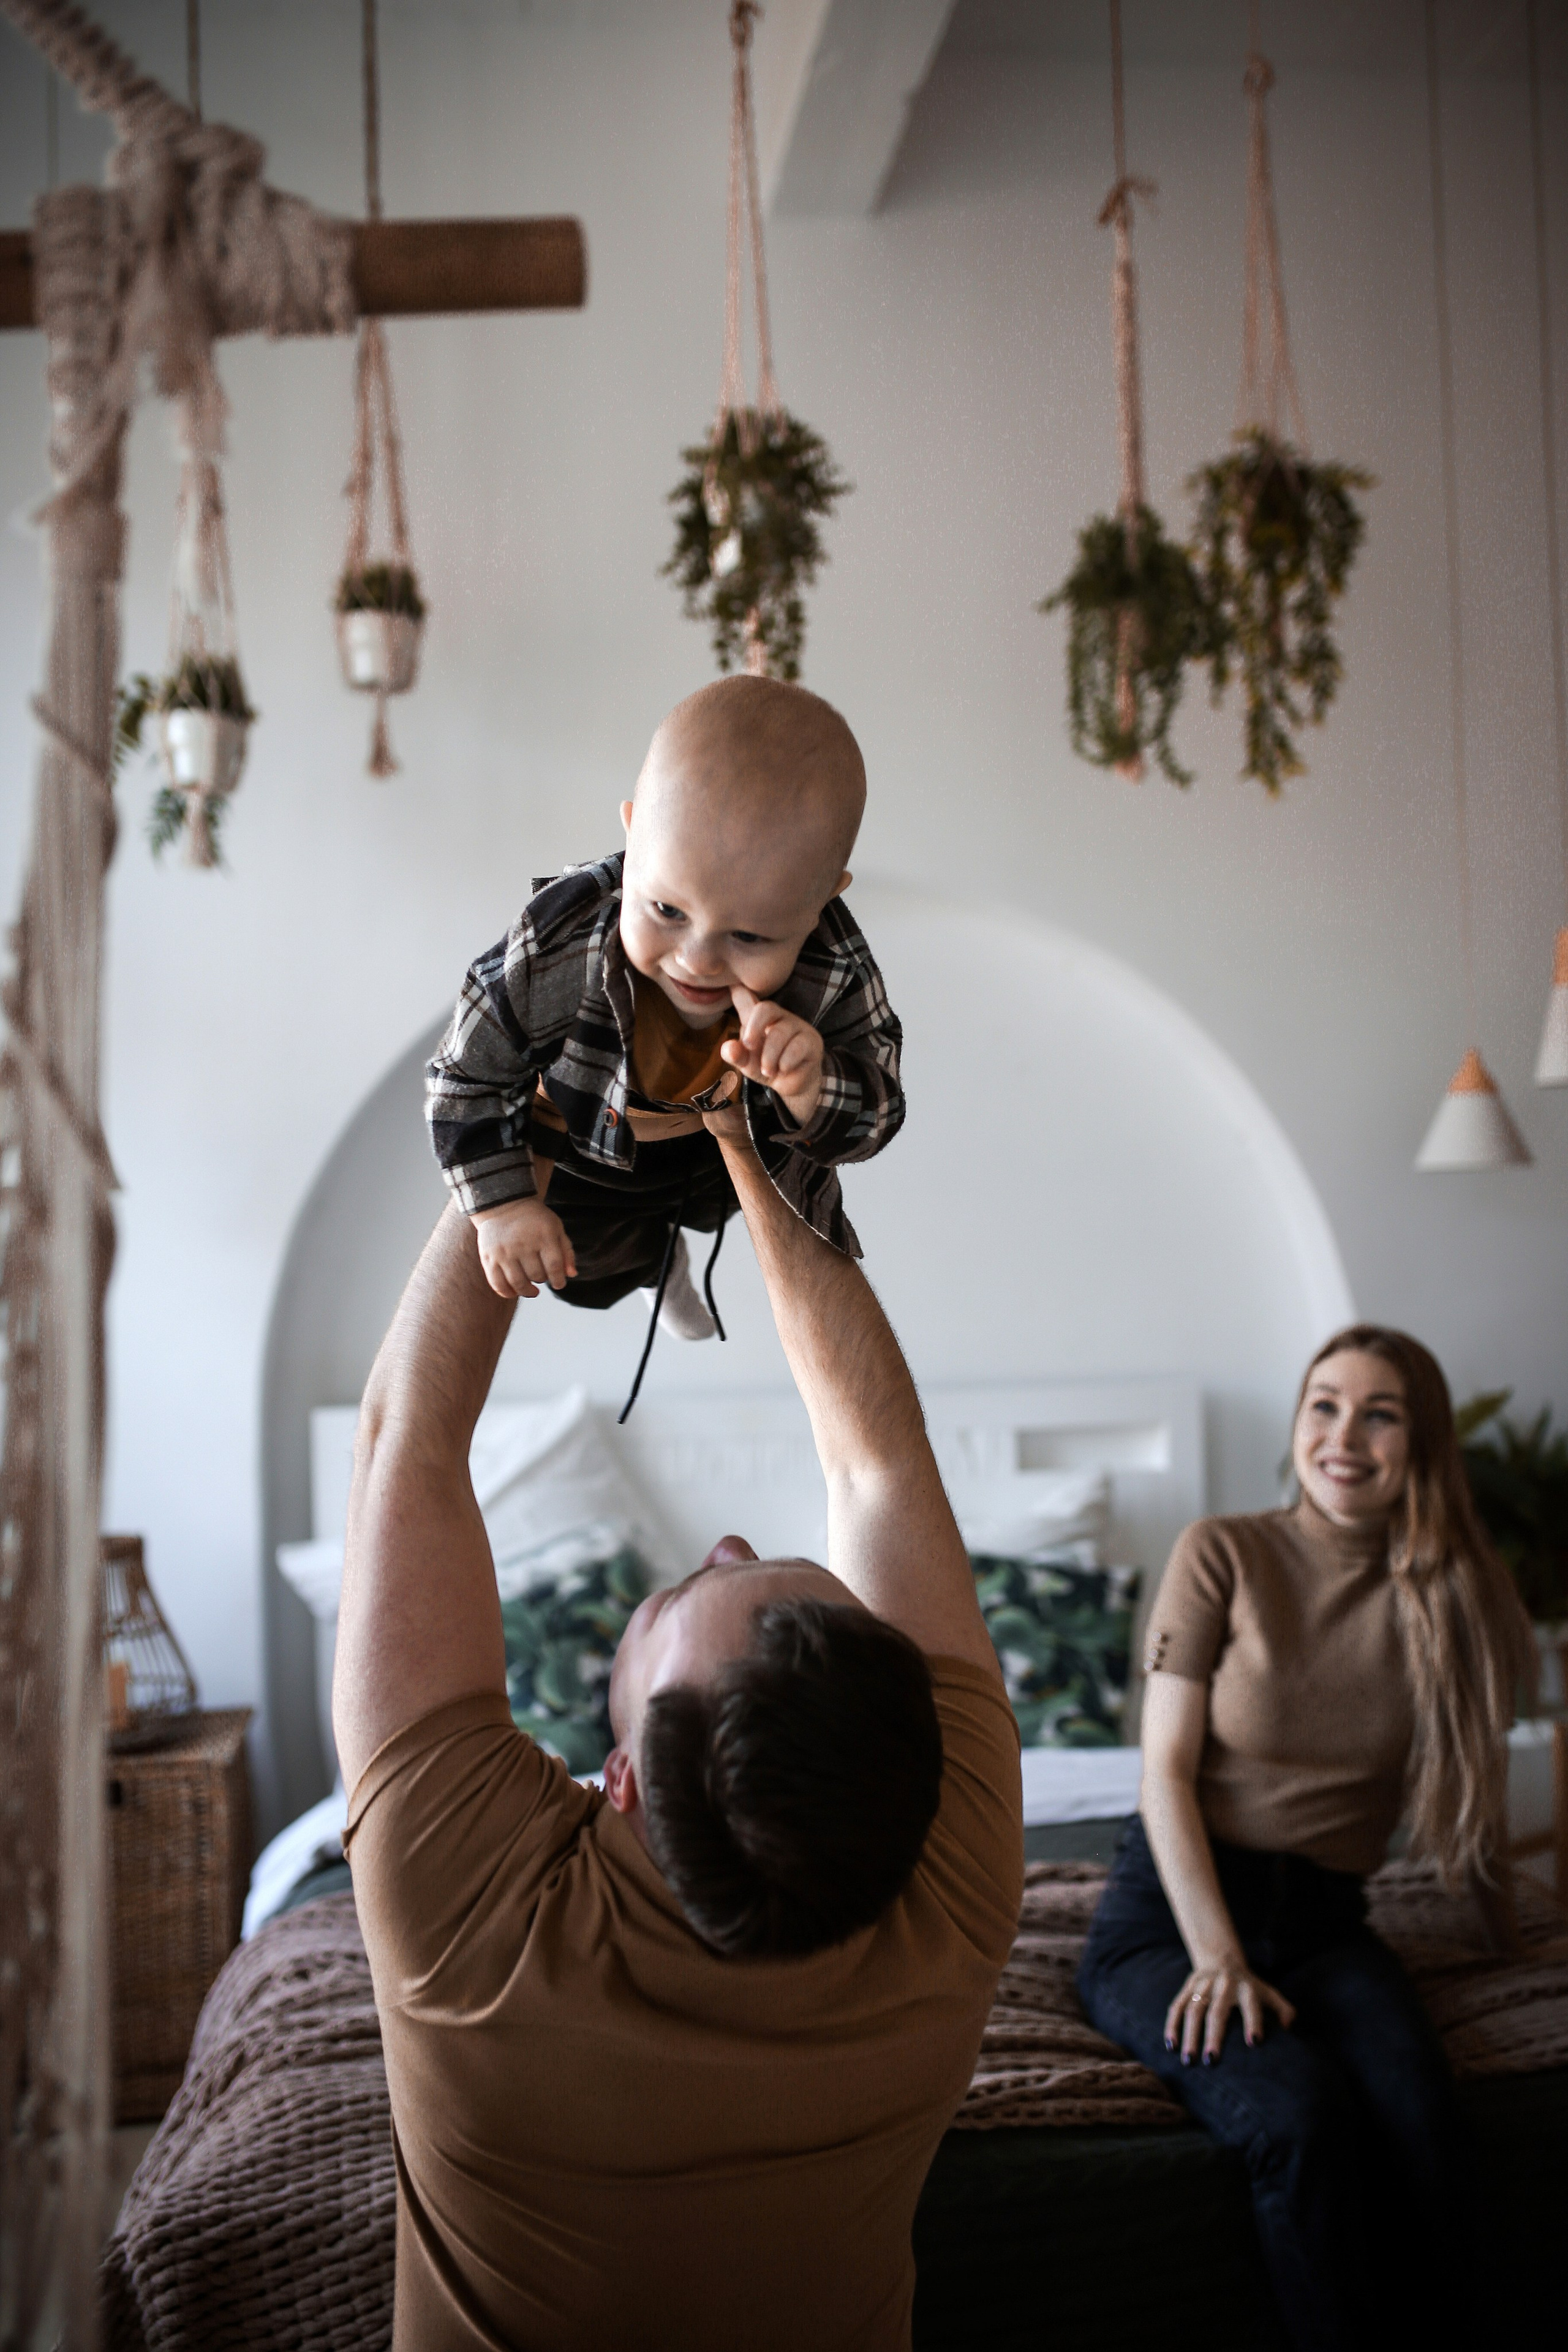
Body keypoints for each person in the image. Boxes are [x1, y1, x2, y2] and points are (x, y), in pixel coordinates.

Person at [333, 1107, 1024, 2351]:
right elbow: (872, 1461)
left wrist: (531, 1100)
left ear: (620, 1783)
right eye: (753, 1567)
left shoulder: (473, 1931)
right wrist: (755, 1146)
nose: (725, 1544)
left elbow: (406, 1447)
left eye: (691, 1591)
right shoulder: (952, 1895)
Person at [1076, 1325, 1534, 2352]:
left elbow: (1477, 1800)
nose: (1344, 1435)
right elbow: (1163, 1777)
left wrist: (1522, 1942)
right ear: (1297, 1421)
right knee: (1298, 2118)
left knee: (1423, 2118)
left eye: (1381, 1413)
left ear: (1422, 1443)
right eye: (1324, 1404)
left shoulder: (1461, 1594)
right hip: (1171, 1922)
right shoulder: (1225, 1551)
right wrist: (1219, 1960)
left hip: (1328, 1925)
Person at [425, 674, 903, 1359]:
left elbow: (879, 1110)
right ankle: (652, 1268)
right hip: (589, 1129)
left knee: (736, 1207)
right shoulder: (559, 944)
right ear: (633, 834)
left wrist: (815, 1084)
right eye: (666, 911)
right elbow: (465, 1075)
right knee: (583, 1261)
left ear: (823, 898)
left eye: (750, 937)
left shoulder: (834, 964)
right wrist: (500, 1207)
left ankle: (668, 1246)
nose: (697, 960)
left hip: (726, 1137)